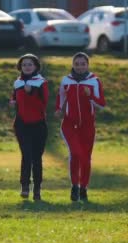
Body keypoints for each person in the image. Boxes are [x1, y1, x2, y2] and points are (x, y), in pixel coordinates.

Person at [55, 52, 106, 202]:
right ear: (72, 65)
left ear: (87, 65)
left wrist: (90, 95)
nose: (79, 67)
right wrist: (58, 108)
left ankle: (83, 188)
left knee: (85, 158)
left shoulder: (94, 81)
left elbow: (101, 104)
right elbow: (61, 96)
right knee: (75, 153)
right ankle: (74, 186)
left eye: (83, 64)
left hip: (88, 126)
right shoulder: (66, 80)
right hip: (69, 124)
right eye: (77, 64)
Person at [9, 53, 49, 201]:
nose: (27, 67)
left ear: (36, 66)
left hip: (38, 125)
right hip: (21, 125)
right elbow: (14, 98)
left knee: (36, 158)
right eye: (24, 64)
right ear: (20, 67)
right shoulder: (17, 83)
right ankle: (25, 186)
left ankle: (37, 189)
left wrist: (30, 92)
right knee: (26, 155)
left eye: (30, 64)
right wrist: (13, 102)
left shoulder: (41, 82)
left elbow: (43, 104)